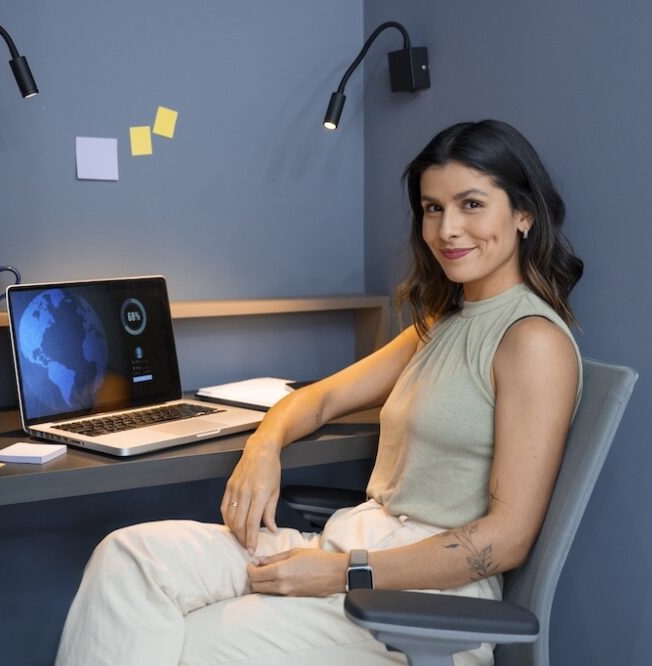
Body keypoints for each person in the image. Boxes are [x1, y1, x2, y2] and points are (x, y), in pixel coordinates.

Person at [55, 119, 584, 666]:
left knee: (184, 642)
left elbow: (507, 538)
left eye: (471, 204)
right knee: (130, 557)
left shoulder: (532, 341)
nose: (447, 229)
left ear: (523, 214)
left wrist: (342, 572)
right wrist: (263, 449)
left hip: (422, 602)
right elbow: (320, 399)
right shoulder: (442, 322)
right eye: (432, 208)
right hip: (348, 548)